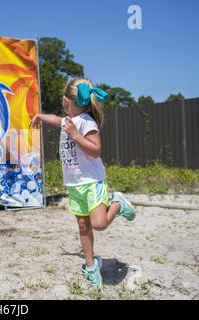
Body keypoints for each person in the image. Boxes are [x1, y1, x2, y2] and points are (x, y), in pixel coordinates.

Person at [30, 77, 136, 289]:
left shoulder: (86, 122)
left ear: (65, 100)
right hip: (74, 184)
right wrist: (40, 116)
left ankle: (117, 203)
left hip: (92, 182)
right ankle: (90, 265)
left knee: (99, 224)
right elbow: (55, 119)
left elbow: (96, 150)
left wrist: (75, 135)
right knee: (82, 225)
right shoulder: (68, 120)